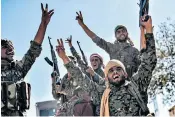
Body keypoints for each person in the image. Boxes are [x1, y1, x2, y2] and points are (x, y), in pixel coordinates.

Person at [56, 15, 157, 116]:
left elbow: (148, 62)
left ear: (125, 74)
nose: (115, 72)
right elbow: (81, 79)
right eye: (111, 71)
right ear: (106, 77)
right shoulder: (103, 94)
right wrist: (64, 58)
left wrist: (148, 29)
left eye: (118, 69)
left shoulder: (136, 85)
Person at [1, 3, 54, 116]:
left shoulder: (18, 69)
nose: (10, 49)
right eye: (5, 46)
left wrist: (43, 24)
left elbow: (34, 49)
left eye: (11, 47)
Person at [75, 11, 140, 78]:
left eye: (123, 31)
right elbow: (95, 38)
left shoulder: (134, 51)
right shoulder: (111, 47)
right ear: (115, 36)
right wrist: (82, 25)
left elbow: (142, 68)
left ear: (127, 33)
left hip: (132, 86)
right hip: (116, 85)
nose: (121, 33)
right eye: (118, 32)